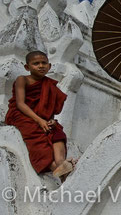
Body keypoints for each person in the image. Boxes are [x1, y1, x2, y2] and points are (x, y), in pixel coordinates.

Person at [5, 51, 77, 179]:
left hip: (42, 118)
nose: (40, 66)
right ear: (27, 67)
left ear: (49, 66)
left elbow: (48, 109)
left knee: (56, 130)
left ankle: (60, 163)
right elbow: (21, 104)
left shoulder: (50, 85)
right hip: (21, 115)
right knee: (35, 134)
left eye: (44, 63)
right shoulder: (22, 79)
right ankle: (55, 167)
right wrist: (39, 120)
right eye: (36, 63)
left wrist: (50, 121)